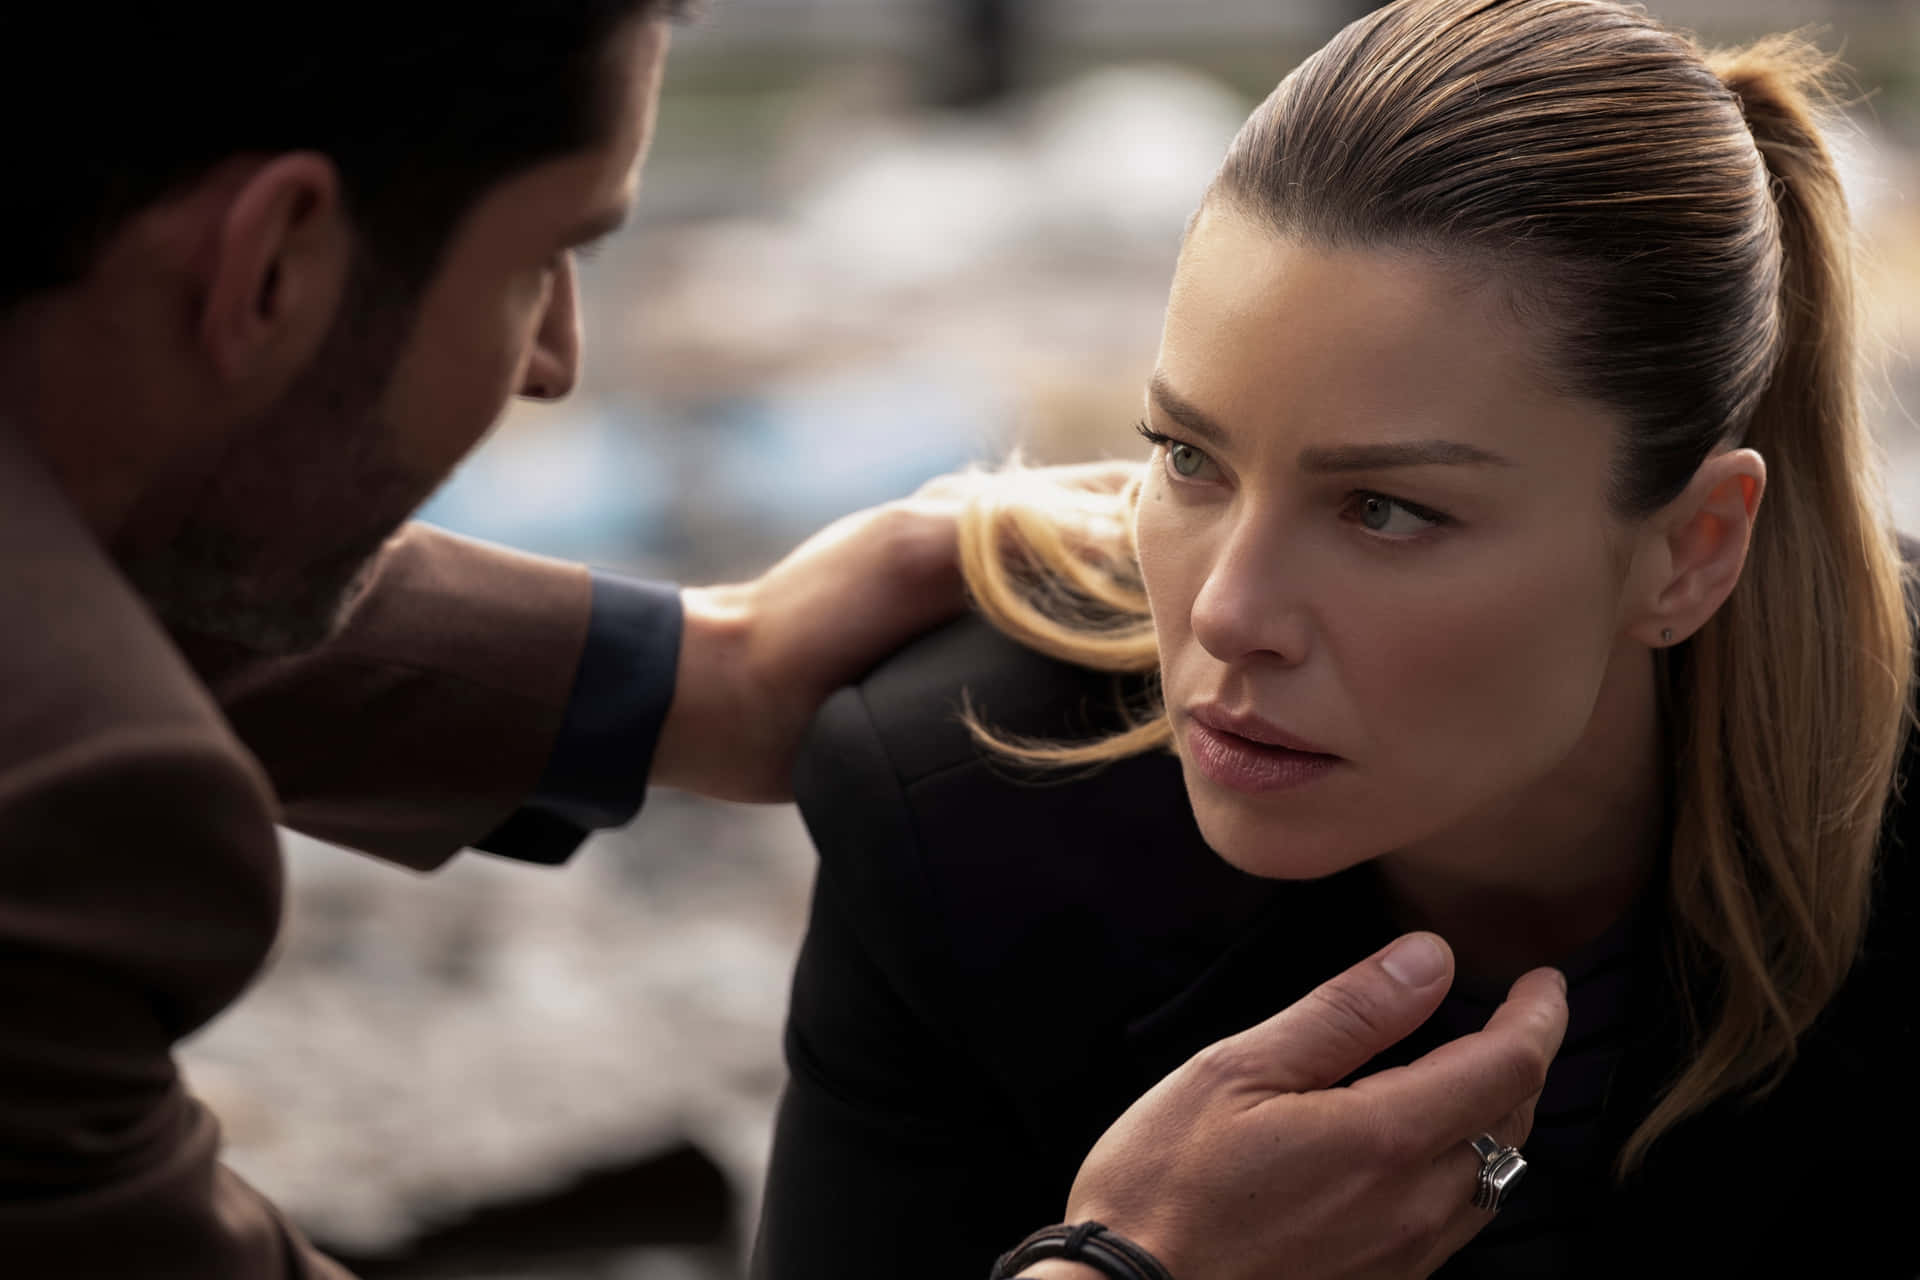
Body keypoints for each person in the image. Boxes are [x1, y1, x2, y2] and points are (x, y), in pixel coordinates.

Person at [0, 3, 1562, 1276]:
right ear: (271, 260)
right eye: (546, 259)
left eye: (1385, 508)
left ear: (1691, 550)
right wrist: (1128, 1276)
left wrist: (677, 680)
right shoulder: (80, 820)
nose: (556, 363)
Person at [758, 1, 1918, 1276]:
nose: (1226, 614)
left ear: (1693, 548)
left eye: (1384, 509)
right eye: (1190, 457)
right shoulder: (957, 817)